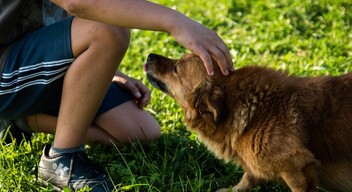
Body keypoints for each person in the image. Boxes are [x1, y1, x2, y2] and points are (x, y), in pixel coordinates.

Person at [0, 0, 234, 191]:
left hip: (33, 57)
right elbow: (77, 3)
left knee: (138, 130)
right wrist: (176, 22)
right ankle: (62, 159)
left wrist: (102, 67)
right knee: (109, 30)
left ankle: (21, 121)